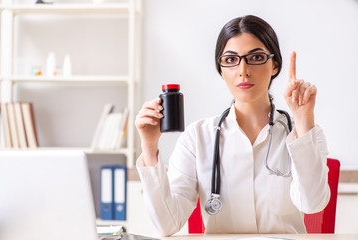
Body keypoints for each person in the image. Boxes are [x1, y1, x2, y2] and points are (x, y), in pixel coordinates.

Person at [135, 15, 330, 236]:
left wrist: (303, 120)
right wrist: (149, 147)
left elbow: (312, 204)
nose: (243, 70)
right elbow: (166, 225)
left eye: (256, 57)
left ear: (275, 65)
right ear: (221, 69)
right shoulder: (197, 137)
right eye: (230, 60)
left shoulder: (305, 133)